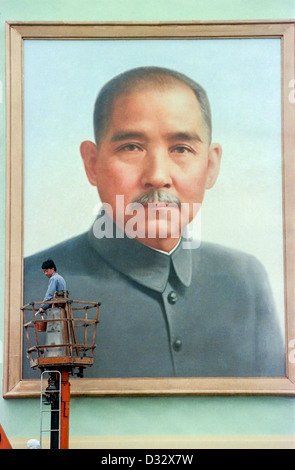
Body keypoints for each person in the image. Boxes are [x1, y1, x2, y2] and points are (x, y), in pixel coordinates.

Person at [24, 66, 285, 379]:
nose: (158, 175)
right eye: (131, 147)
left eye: (181, 149)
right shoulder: (25, 283)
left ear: (211, 165)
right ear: (92, 164)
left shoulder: (245, 277)